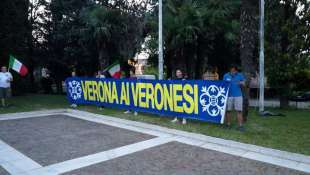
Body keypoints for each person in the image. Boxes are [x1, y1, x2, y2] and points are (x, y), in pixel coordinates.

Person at [223, 65, 246, 131]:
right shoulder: (226, 75)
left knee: (239, 111)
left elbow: (244, 83)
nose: (232, 72)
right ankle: (228, 124)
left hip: (238, 96)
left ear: (236, 70)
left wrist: (241, 83)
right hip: (229, 95)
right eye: (231, 70)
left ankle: (240, 126)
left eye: (234, 71)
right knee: (228, 111)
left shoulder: (240, 75)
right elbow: (222, 84)